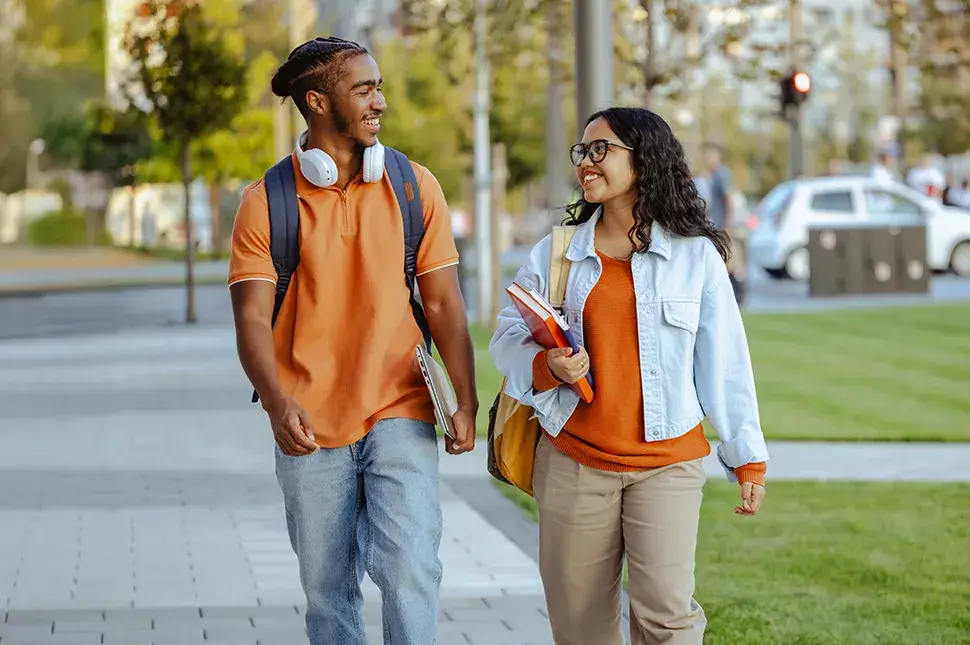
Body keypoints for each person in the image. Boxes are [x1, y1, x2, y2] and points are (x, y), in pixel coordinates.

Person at [227, 37, 478, 645]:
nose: (379, 102)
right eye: (363, 90)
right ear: (317, 101)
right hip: (308, 419)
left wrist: (465, 399)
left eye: (378, 87)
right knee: (328, 589)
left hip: (399, 403)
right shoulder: (267, 203)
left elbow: (443, 302)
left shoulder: (414, 187)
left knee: (411, 566)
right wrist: (278, 402)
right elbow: (252, 319)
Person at [489, 107, 769, 645]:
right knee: (580, 626)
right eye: (582, 151)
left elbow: (726, 361)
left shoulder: (695, 256)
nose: (586, 163)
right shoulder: (556, 253)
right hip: (573, 460)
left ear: (645, 160)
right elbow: (507, 337)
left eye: (601, 150)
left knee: (667, 619)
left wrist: (746, 456)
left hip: (667, 465)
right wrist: (546, 366)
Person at [697, 142, 745, 305]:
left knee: (730, 262)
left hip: (722, 225)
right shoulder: (709, 175)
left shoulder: (721, 174)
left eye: (710, 155)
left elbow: (728, 200)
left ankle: (738, 294)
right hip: (714, 225)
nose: (707, 158)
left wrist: (727, 225)